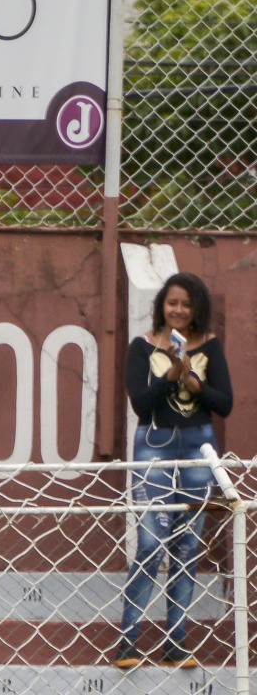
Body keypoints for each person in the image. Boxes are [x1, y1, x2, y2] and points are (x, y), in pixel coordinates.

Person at [114, 272, 235, 670]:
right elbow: (140, 405)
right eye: (172, 303)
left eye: (185, 304)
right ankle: (128, 641)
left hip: (199, 449)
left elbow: (225, 404)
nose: (178, 310)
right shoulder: (141, 347)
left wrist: (196, 385)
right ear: (161, 307)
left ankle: (175, 643)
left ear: (196, 308)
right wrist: (170, 378)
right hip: (154, 447)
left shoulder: (211, 347)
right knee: (151, 543)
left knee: (187, 550)